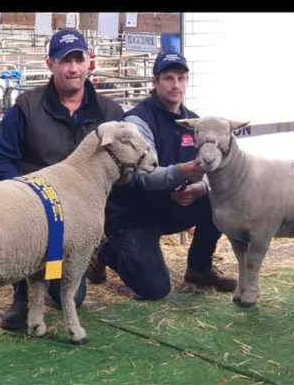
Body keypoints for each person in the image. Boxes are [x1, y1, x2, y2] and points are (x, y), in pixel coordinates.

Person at [0, 29, 125, 330]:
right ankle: (24, 292)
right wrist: (20, 196)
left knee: (72, 297)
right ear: (50, 64)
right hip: (35, 213)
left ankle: (89, 257)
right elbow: (1, 160)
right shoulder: (25, 108)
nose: (72, 68)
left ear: (90, 62)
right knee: (32, 253)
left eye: (78, 59)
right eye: (65, 61)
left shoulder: (110, 113)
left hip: (82, 217)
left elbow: (128, 164)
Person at [86, 50, 236, 299]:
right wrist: (181, 172)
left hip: (172, 205)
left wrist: (201, 188)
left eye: (181, 78)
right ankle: (106, 250)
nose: (175, 85)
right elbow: (144, 176)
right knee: (156, 289)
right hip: (134, 213)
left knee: (219, 200)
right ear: (154, 82)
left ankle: (199, 268)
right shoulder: (137, 121)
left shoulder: (196, 123)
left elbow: (216, 169)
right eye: (168, 78)